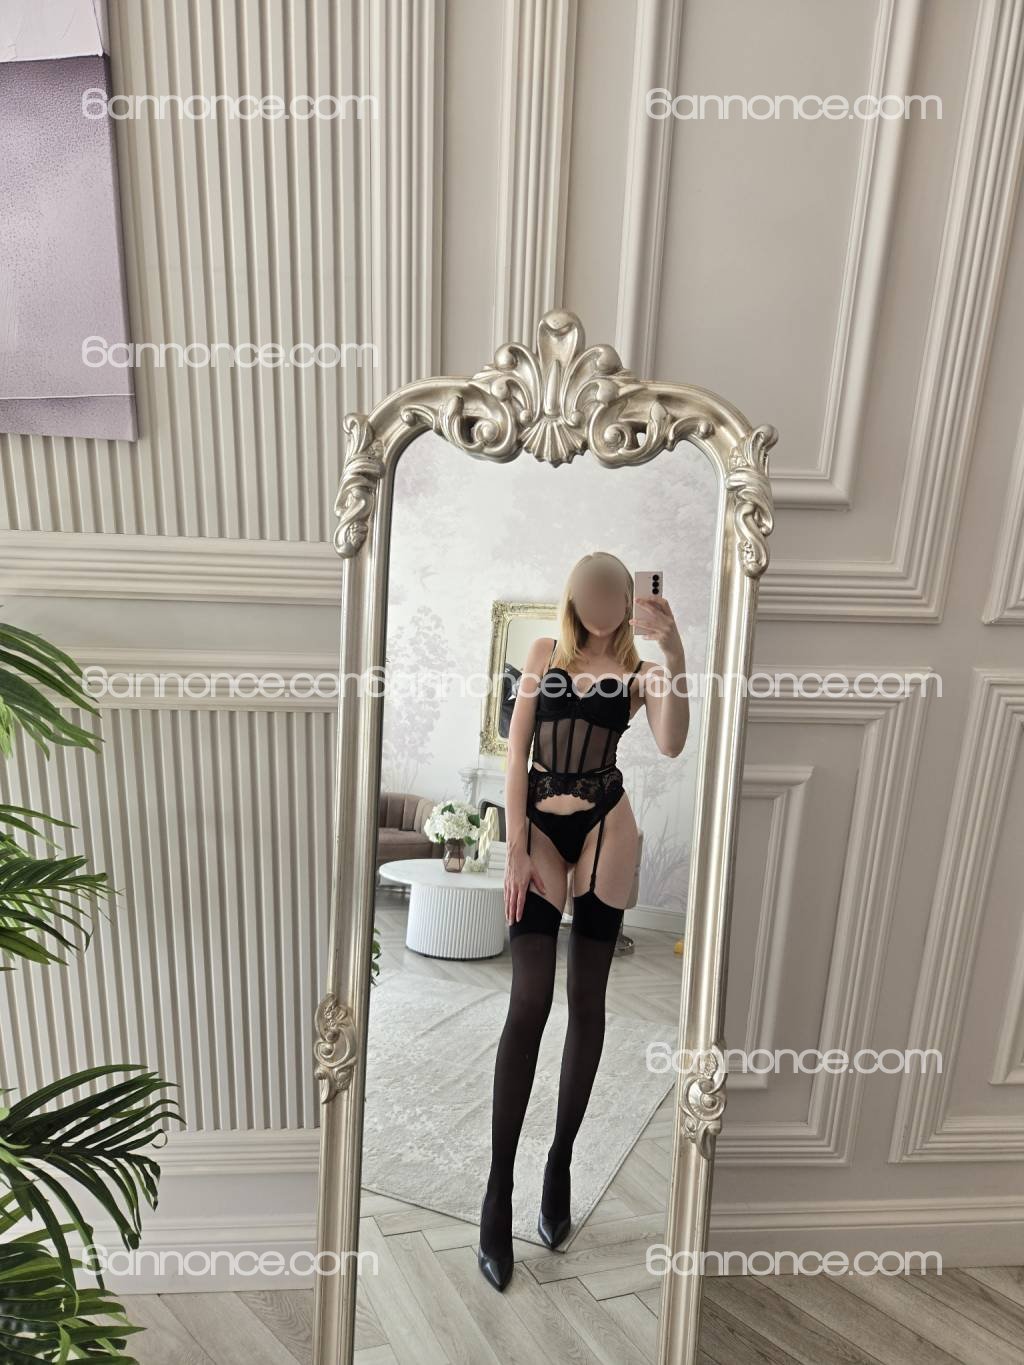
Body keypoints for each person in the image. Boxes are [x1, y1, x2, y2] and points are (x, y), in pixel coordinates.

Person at [477, 551, 689, 1291]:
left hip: (607, 825)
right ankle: (497, 1188)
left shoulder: (640, 669)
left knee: (587, 1003)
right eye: (591, 591)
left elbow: (672, 742)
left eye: (615, 593)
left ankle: (559, 1161)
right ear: (576, 596)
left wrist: (674, 648)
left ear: (629, 601)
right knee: (528, 1000)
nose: (601, 603)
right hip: (538, 827)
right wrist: (513, 849)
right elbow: (516, 755)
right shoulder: (544, 652)